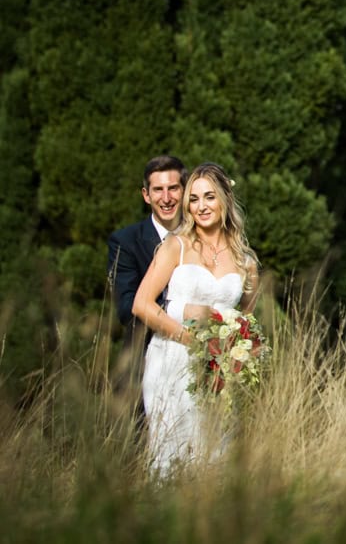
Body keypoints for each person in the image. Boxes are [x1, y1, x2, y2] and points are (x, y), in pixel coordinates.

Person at [132, 162, 260, 474]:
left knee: (215, 456)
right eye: (194, 199)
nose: (201, 206)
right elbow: (142, 304)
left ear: (225, 200)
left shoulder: (246, 263)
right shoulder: (176, 246)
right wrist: (187, 330)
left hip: (215, 372)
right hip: (170, 361)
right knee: (171, 456)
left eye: (209, 197)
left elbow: (245, 323)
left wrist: (232, 351)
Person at [107, 155, 187, 415]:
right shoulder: (125, 242)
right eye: (158, 190)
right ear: (146, 195)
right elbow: (127, 309)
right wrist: (184, 312)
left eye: (173, 188)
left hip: (198, 362)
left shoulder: (203, 238)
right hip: (143, 366)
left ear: (184, 191)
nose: (166, 198)